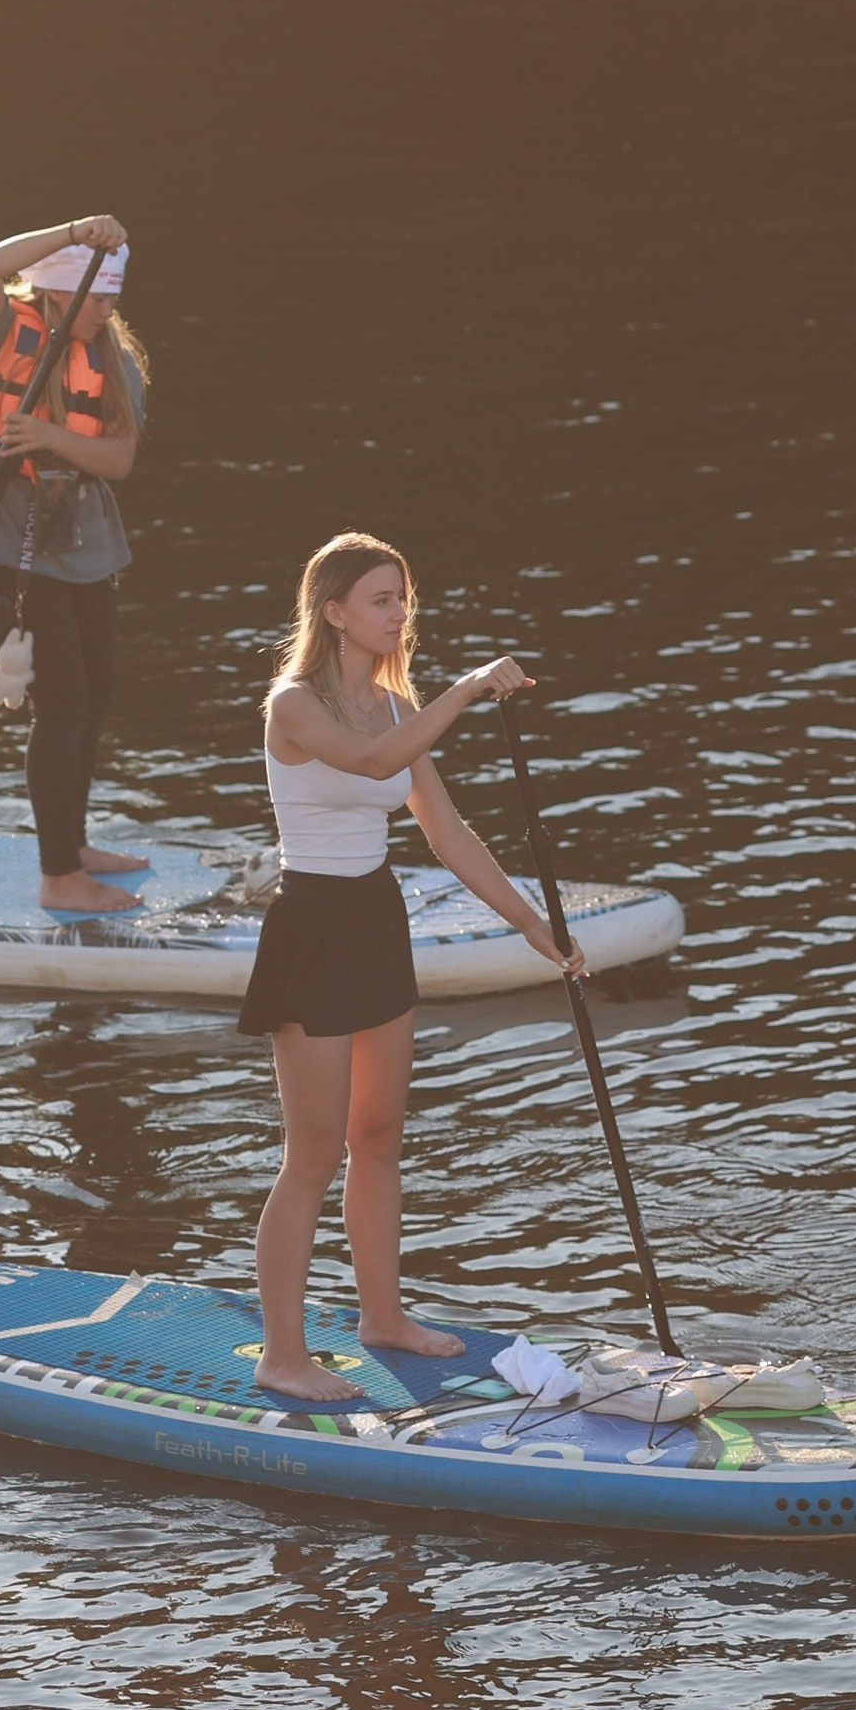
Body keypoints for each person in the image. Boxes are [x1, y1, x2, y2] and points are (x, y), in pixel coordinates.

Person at [240, 530, 585, 1402]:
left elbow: (446, 831)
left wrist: (534, 926)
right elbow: (367, 765)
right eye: (381, 600)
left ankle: (382, 1317)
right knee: (312, 1155)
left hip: (374, 917)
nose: (399, 614)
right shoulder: (294, 705)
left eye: (403, 598)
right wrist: (468, 688)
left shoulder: (397, 707)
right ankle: (284, 1356)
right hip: (311, 925)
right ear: (335, 614)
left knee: (379, 1137)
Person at [0, 213, 150, 913]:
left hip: (87, 543)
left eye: (112, 299)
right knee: (62, 704)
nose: (109, 308)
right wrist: (73, 233)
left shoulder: (116, 363)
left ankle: (73, 844)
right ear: (59, 294)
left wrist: (46, 436)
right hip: (16, 545)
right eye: (98, 297)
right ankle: (58, 876)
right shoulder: (4, 335)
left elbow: (120, 460)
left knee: (96, 696)